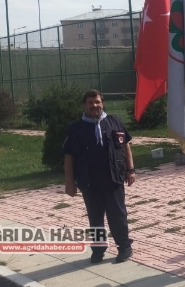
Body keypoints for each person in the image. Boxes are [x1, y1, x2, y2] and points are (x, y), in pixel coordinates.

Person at [63, 89, 135, 264]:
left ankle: (124, 247)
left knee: (117, 215)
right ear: (84, 105)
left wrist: (130, 169)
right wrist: (69, 183)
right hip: (89, 181)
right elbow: (69, 156)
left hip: (113, 178)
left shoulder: (114, 122)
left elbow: (125, 146)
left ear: (102, 103)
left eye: (97, 102)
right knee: (95, 218)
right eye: (90, 103)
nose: (94, 105)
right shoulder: (75, 128)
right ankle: (98, 249)